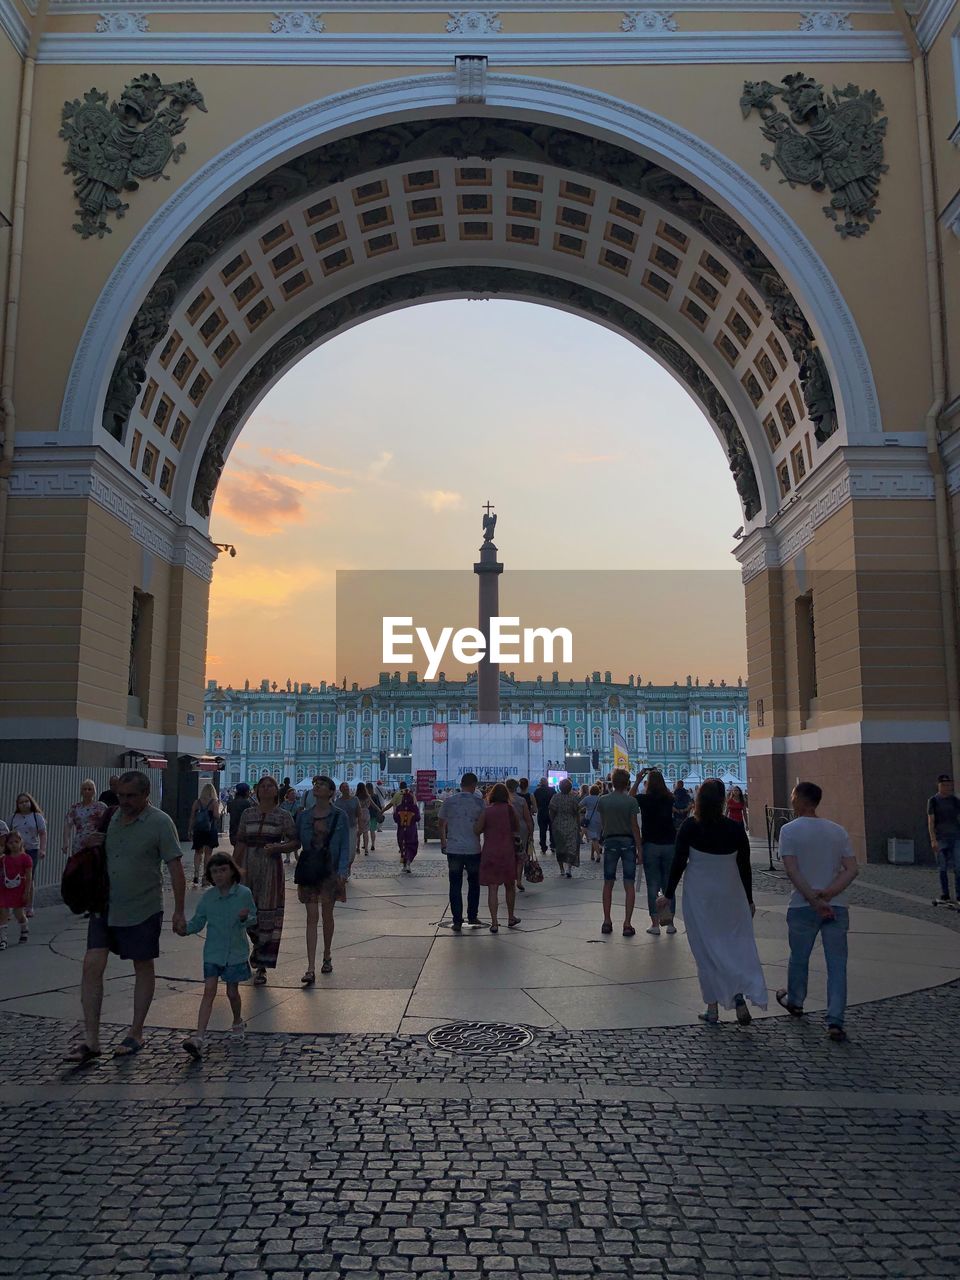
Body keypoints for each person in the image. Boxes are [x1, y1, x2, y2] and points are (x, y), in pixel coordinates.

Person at [66, 770, 186, 1063]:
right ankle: (91, 1040)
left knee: (142, 965)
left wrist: (179, 910)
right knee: (92, 965)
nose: (124, 801)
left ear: (146, 795)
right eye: (121, 795)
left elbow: (176, 869)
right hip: (104, 905)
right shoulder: (110, 818)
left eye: (131, 796)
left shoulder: (160, 822)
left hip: (143, 906)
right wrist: (92, 844)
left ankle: (136, 1031)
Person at [660, 777, 766, 1026]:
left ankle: (712, 1008)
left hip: (700, 896)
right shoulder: (735, 829)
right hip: (731, 893)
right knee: (732, 945)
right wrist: (748, 898)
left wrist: (669, 892)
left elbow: (679, 861)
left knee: (705, 950)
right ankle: (738, 995)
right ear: (722, 801)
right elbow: (744, 865)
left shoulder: (689, 827)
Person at [777, 781, 859, 1042]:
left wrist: (813, 899)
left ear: (801, 800)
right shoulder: (837, 831)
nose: (791, 800)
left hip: (803, 906)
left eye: (793, 796)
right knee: (837, 965)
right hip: (837, 906)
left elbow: (792, 870)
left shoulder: (789, 831)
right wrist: (829, 894)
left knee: (799, 958)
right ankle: (835, 1019)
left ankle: (796, 1001)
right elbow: (851, 869)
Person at [178, 853, 257, 1059]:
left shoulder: (243, 893)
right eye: (214, 871)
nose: (219, 875)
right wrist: (184, 929)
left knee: (232, 992)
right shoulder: (208, 898)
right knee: (209, 991)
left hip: (235, 951)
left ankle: (237, 1020)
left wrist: (244, 918)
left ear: (232, 871)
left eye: (223, 870)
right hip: (213, 951)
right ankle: (199, 1037)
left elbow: (253, 917)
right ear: (210, 875)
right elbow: (198, 921)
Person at [232, 775, 298, 986]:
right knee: (246, 915)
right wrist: (234, 867)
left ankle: (261, 965)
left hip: (271, 869)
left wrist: (279, 848)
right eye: (263, 786)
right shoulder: (248, 814)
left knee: (267, 915)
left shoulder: (283, 816)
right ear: (257, 790)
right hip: (248, 867)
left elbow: (295, 841)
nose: (267, 789)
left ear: (276, 791)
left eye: (271, 786)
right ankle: (253, 948)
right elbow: (241, 841)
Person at [598, 768, 642, 937]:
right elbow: (634, 826)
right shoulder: (631, 802)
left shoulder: (603, 801)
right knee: (629, 883)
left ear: (613, 782)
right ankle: (627, 924)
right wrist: (639, 848)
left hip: (610, 842)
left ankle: (607, 921)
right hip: (628, 843)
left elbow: (603, 823)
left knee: (608, 882)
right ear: (626, 783)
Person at [438, 772, 485, 932]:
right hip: (473, 848)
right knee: (474, 884)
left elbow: (441, 822)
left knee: (455, 885)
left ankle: (457, 920)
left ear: (461, 784)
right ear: (474, 785)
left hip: (454, 848)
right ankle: (472, 915)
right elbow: (483, 826)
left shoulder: (449, 801)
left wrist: (444, 841)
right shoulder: (479, 803)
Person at [634, 768, 677, 936]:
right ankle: (670, 923)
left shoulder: (644, 799)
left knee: (652, 885)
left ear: (649, 784)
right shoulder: (669, 798)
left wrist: (638, 780)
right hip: (669, 844)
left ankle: (655, 924)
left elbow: (630, 798)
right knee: (668, 885)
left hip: (651, 844)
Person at [475, 783, 520, 933]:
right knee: (510, 886)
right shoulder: (509, 810)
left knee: (492, 888)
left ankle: (494, 922)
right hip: (507, 851)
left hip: (490, 851)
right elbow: (516, 829)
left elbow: (477, 830)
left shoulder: (486, 811)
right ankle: (510, 916)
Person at [9, 793, 46, 919]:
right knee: (14, 878)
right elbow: (9, 835)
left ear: (30, 802)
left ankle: (29, 906)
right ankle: (15, 905)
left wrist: (42, 849)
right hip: (16, 852)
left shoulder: (36, 817)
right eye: (21, 802)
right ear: (17, 805)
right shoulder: (14, 818)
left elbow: (42, 833)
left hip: (32, 850)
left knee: (29, 877)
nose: (24, 804)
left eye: (26, 801)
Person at [927, 773, 960, 904]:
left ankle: (958, 895)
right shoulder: (933, 801)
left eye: (948, 785)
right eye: (943, 785)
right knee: (943, 867)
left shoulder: (955, 801)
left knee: (958, 867)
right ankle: (945, 894)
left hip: (956, 837)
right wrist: (933, 839)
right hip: (941, 837)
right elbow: (931, 821)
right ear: (938, 786)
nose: (946, 787)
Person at [0, 830, 33, 948]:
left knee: (18, 913)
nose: (13, 845)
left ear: (21, 843)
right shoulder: (4, 858)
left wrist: (27, 891)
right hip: (5, 888)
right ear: (6, 845)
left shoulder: (26, 858)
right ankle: (3, 939)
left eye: (16, 842)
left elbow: (29, 876)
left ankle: (24, 927)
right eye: (10, 842)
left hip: (19, 889)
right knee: (3, 912)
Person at [62, 780, 108, 862]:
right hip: (80, 842)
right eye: (85, 789)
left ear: (94, 791)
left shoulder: (100, 807)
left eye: (90, 789)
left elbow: (108, 823)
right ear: (81, 791)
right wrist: (65, 842)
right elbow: (68, 825)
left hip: (95, 842)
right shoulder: (75, 808)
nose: (87, 791)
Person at [187, 783, 221, 887]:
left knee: (198, 852)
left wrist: (190, 830)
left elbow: (192, 817)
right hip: (210, 830)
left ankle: (196, 873)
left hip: (198, 831)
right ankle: (205, 877)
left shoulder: (197, 802)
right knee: (208, 854)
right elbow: (216, 816)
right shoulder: (214, 802)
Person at [505, 778, 534, 892]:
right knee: (520, 854)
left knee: (509, 854)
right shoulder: (521, 800)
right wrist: (530, 832)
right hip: (521, 829)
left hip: (507, 828)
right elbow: (527, 818)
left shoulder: (505, 800)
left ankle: (509, 877)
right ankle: (519, 880)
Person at [549, 779, 581, 877]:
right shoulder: (574, 798)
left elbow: (552, 811)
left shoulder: (555, 797)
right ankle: (569, 868)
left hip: (558, 824)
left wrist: (553, 822)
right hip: (571, 824)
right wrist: (578, 825)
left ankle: (561, 868)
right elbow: (577, 813)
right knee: (571, 847)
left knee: (560, 847)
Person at [394, 788, 421, 872]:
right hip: (411, 830)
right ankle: (408, 863)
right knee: (411, 846)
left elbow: (395, 818)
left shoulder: (399, 807)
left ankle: (404, 865)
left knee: (403, 846)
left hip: (401, 830)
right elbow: (418, 818)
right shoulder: (414, 807)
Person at [334, 782, 360, 865]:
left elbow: (359, 814)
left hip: (352, 827)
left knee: (352, 850)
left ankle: (349, 865)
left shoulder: (355, 799)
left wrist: (360, 827)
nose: (346, 788)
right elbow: (335, 816)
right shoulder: (337, 802)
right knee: (342, 848)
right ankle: (344, 867)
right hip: (341, 828)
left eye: (347, 786)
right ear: (341, 790)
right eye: (344, 787)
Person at [580, 784, 603, 863]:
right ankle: (592, 855)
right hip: (599, 819)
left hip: (590, 819)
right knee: (596, 837)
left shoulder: (587, 798)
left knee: (594, 838)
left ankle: (598, 855)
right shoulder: (600, 799)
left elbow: (579, 806)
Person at [227, 782, 254, 847]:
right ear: (246, 792)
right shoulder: (246, 803)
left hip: (233, 833)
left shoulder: (232, 802)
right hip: (243, 833)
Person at [533, 777, 555, 855]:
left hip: (541, 812)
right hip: (551, 812)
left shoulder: (537, 791)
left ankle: (543, 846)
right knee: (552, 830)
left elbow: (535, 802)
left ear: (541, 783)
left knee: (542, 830)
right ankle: (553, 845)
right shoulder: (552, 790)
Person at [355, 782, 373, 858]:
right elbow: (373, 805)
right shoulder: (368, 796)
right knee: (365, 832)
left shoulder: (356, 797)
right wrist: (380, 811)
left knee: (358, 831)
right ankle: (366, 850)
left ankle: (358, 848)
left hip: (359, 814)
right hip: (366, 813)